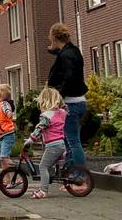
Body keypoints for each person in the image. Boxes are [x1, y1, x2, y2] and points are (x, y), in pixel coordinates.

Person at [45, 21, 88, 177]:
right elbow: (67, 60)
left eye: (50, 38)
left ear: (55, 37)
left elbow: (68, 76)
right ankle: (72, 176)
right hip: (78, 101)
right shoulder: (72, 50)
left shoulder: (66, 55)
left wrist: (58, 97)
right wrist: (54, 52)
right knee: (70, 141)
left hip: (71, 103)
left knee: (73, 142)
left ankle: (80, 176)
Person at [24, 87, 67, 200]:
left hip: (53, 145)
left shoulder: (46, 116)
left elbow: (39, 129)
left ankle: (43, 190)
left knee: (43, 166)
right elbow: (66, 108)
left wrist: (31, 140)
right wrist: (61, 102)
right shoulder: (62, 113)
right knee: (50, 165)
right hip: (61, 144)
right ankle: (48, 183)